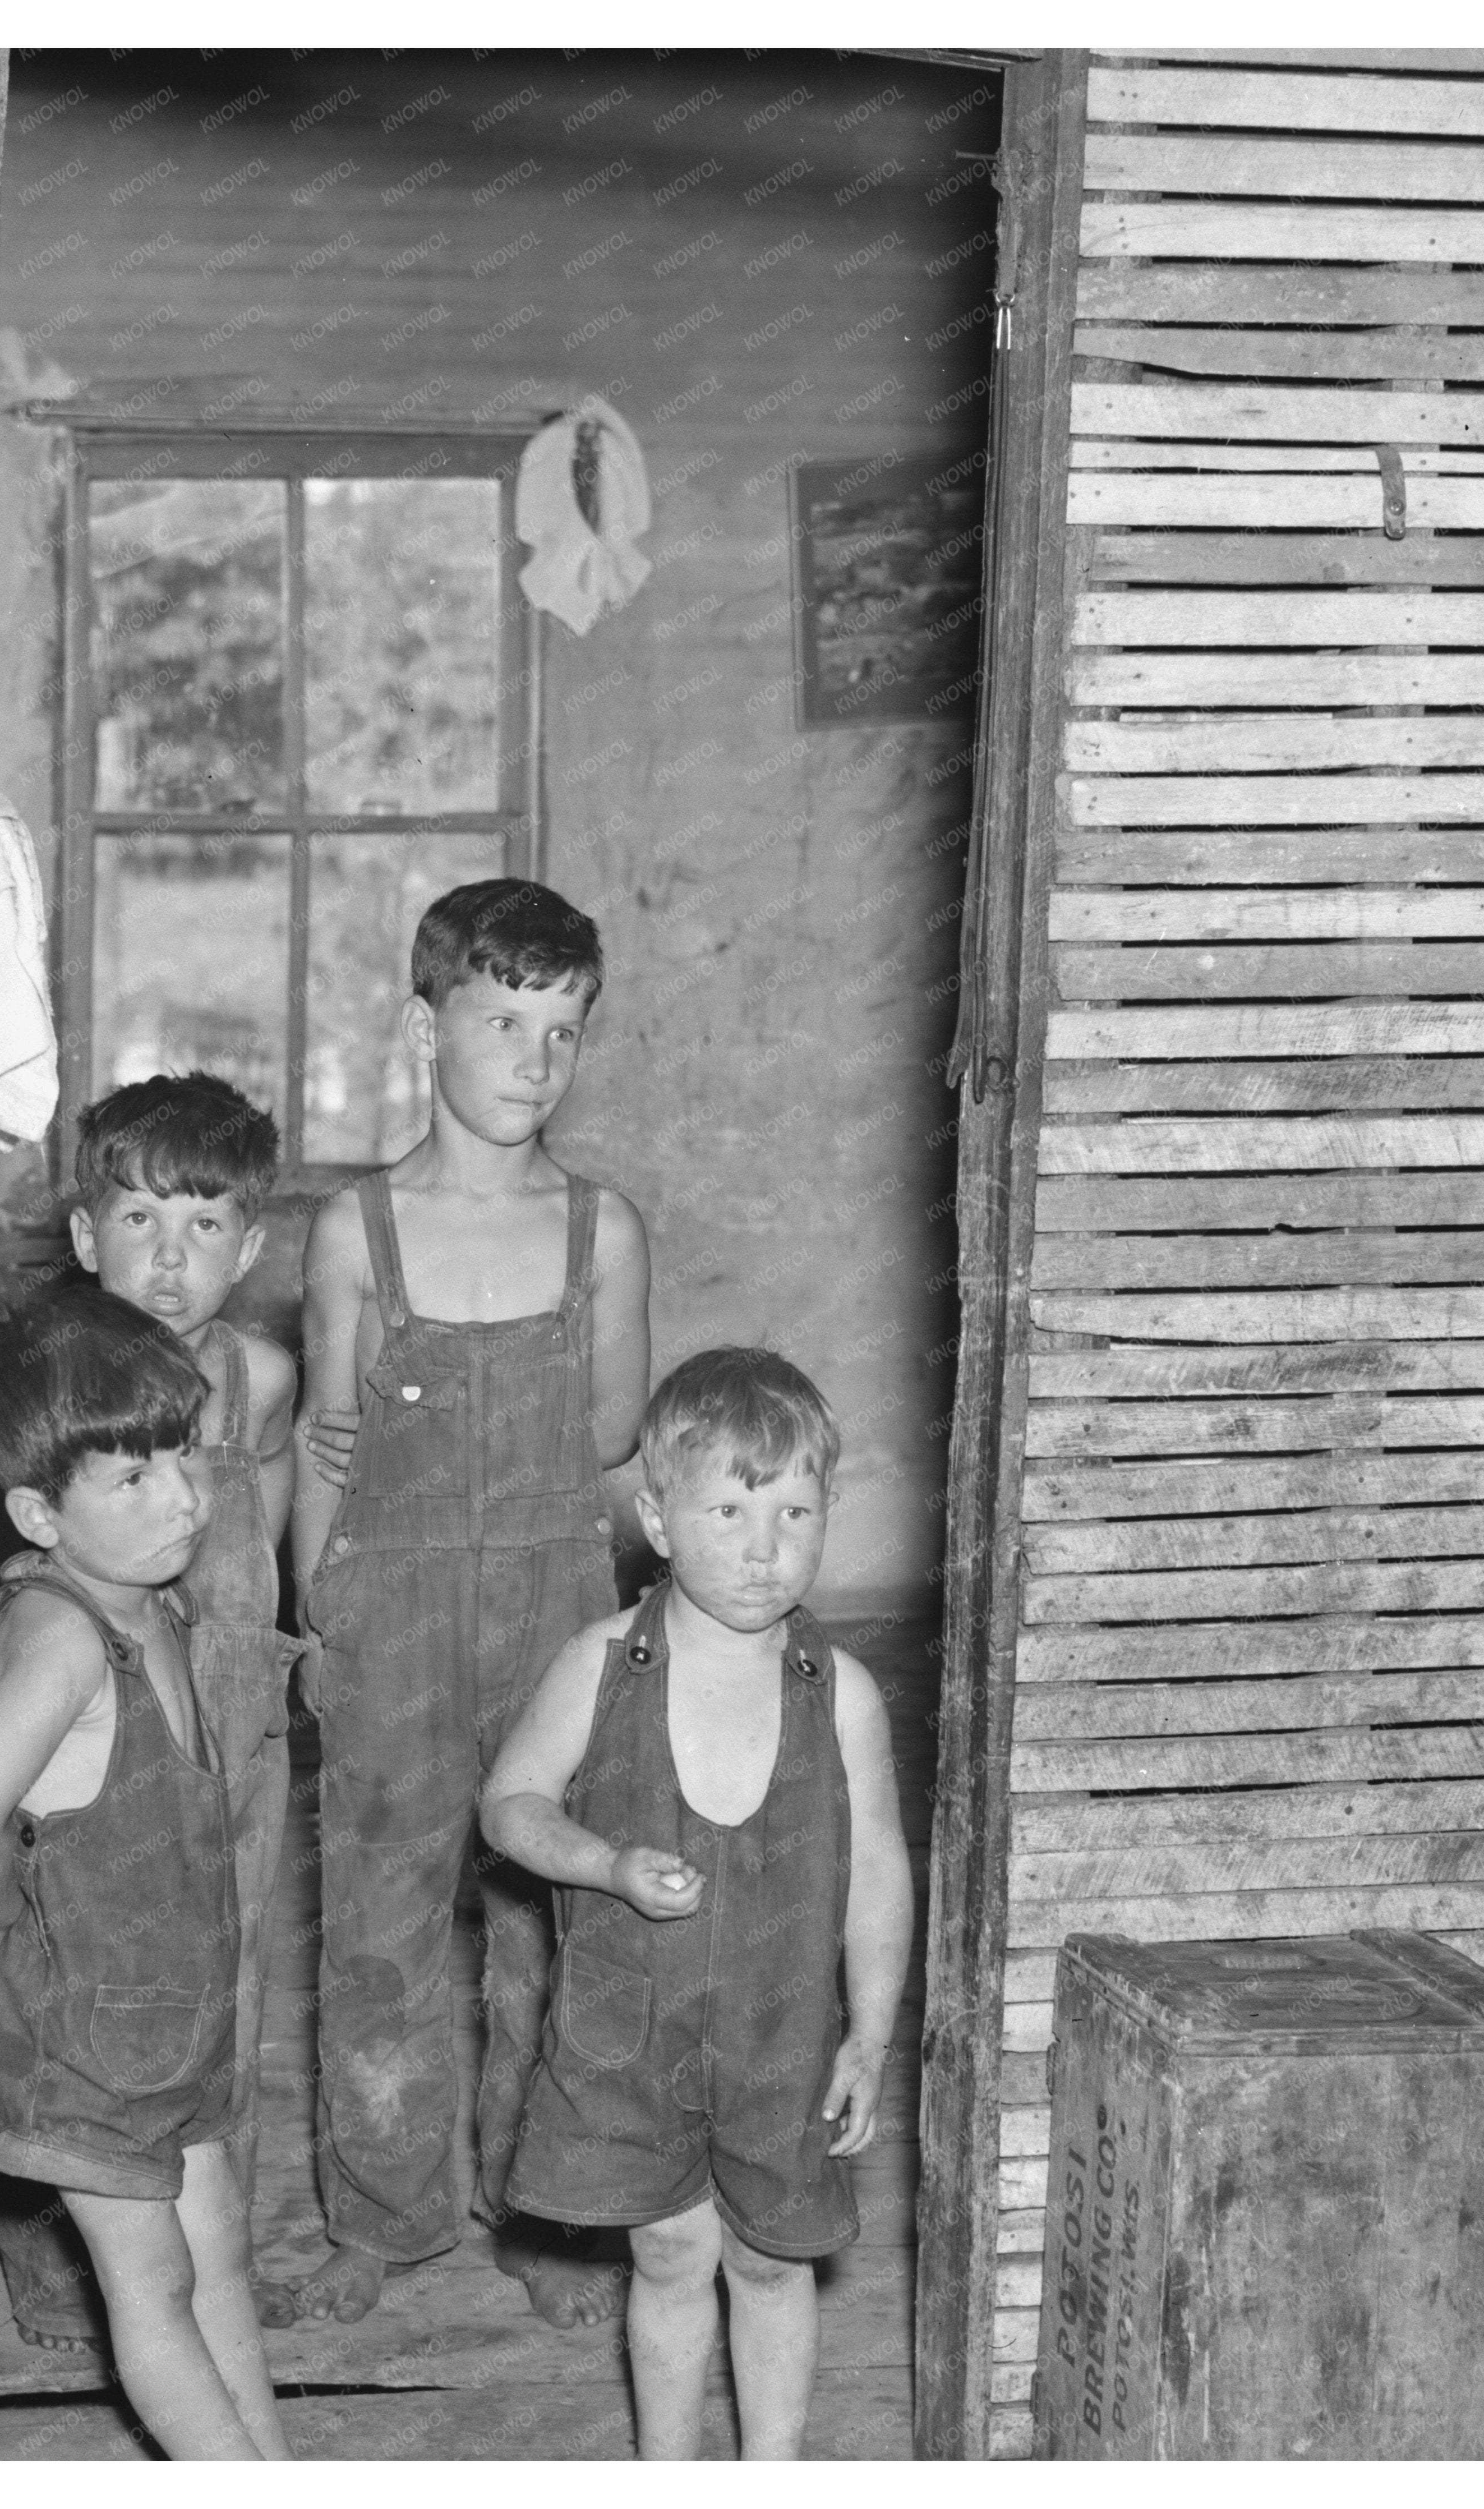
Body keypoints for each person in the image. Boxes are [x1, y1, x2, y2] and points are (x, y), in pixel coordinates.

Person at [284, 878, 653, 2329]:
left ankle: (544, 2212)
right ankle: (379, 2214)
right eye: (500, 1020)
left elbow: (614, 1439)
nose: (530, 1059)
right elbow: (326, 1446)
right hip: (388, 1606)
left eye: (561, 1030)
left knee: (547, 1918)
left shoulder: (600, 1233)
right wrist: (317, 1619)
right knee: (374, 1925)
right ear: (421, 1024)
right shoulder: (350, 1233)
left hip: (558, 1603)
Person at [480, 1347, 914, 2459]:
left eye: (794, 1509)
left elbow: (874, 1871)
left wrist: (868, 2029)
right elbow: (508, 1807)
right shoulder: (601, 1662)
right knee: (669, 2254)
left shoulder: (841, 1693)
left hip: (779, 2039)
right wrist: (602, 1862)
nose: (765, 1546)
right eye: (728, 1507)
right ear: (658, 1520)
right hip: (631, 2031)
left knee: (771, 2259)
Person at [0, 1282, 291, 2457]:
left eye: (181, 1453)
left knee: (218, 2257)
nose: (182, 1494)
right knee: (155, 2287)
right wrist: (13, 1915)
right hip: (88, 2043)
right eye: (129, 1477)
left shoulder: (150, 1601)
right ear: (37, 1511)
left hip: (170, 2025)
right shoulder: (63, 1638)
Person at [0, 1075, 305, 2350]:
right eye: (136, 1223)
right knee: (71, 1983)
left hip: (226, 1712)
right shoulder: (51, 1377)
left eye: (205, 1225)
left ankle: (204, 2241)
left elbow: (257, 1526)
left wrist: (269, 1658)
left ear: (253, 1241)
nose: (169, 1262)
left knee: (224, 1973)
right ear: (81, 1236)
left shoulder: (263, 1372)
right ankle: (58, 2263)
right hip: (101, 1745)